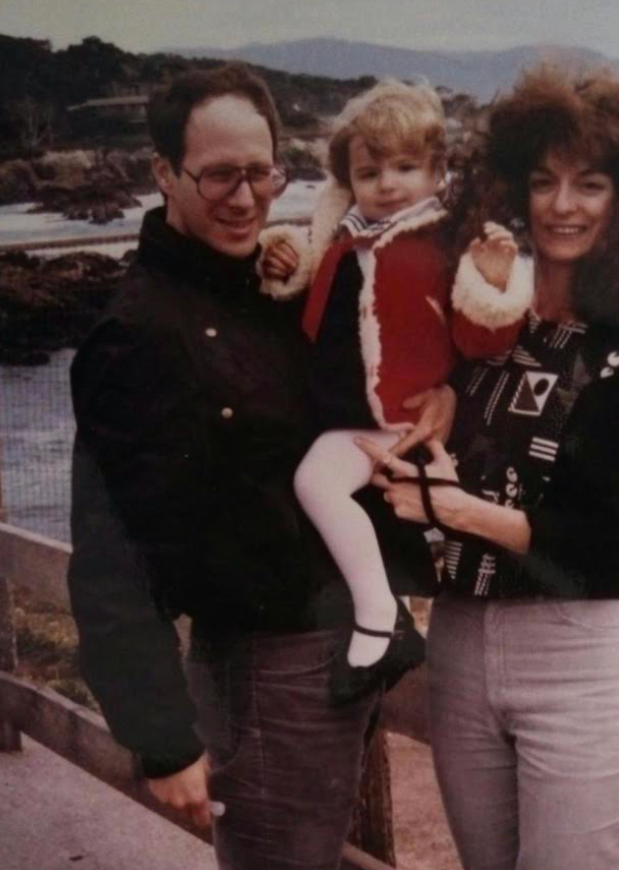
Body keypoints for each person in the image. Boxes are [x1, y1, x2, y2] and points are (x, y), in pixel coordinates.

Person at [66, 63, 441, 870]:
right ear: (163, 171)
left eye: (263, 173)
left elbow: (380, 365)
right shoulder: (140, 331)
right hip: (264, 672)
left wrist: (440, 397)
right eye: (218, 176)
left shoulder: (265, 283)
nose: (246, 199)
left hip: (333, 655)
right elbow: (111, 555)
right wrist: (161, 738)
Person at [357, 64, 619, 870]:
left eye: (591, 184)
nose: (563, 205)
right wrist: (428, 393)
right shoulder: (479, 338)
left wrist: (455, 510)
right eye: (544, 181)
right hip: (461, 642)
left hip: (579, 658)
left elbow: (614, 552)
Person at [260, 79, 533, 704]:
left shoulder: (439, 244)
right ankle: (383, 617)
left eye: (405, 167)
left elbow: (480, 339)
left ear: (437, 171)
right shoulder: (345, 235)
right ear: (348, 179)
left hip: (395, 416)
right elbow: (319, 297)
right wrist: (288, 263)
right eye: (370, 170)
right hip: (345, 413)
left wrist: (493, 281)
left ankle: (380, 620)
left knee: (316, 485)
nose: (387, 183)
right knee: (315, 488)